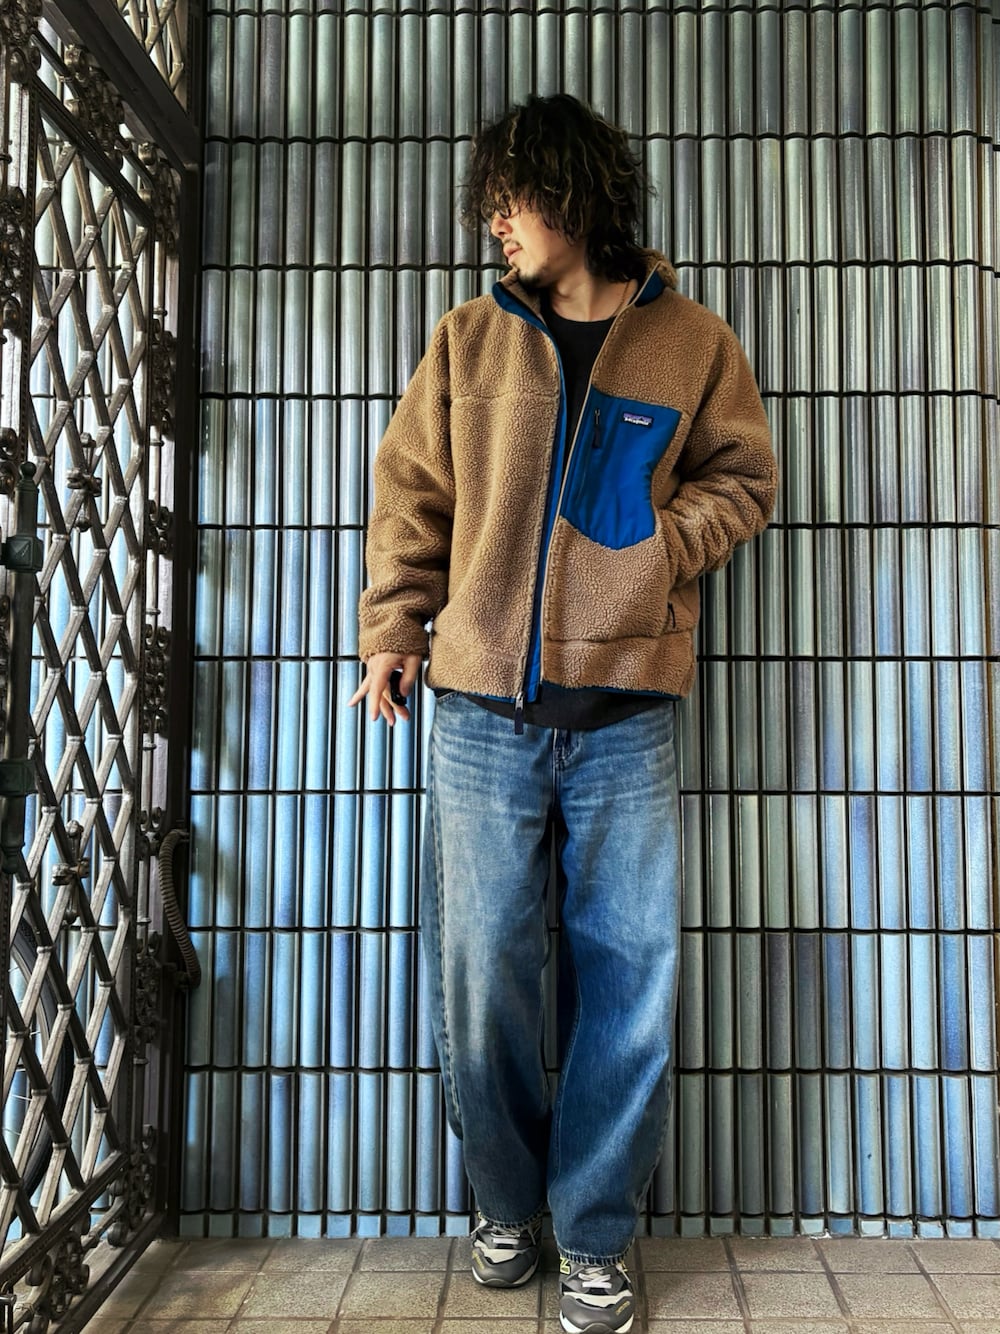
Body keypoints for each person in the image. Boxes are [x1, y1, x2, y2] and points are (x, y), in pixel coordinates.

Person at [350, 93, 776, 1334]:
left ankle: (593, 1234)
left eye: (511, 201)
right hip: (480, 707)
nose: (495, 225)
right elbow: (410, 496)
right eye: (490, 206)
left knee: (628, 982)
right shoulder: (467, 341)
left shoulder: (692, 341)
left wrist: (661, 552)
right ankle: (503, 1202)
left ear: (574, 196)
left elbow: (744, 477)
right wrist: (393, 633)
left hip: (628, 709)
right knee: (481, 972)